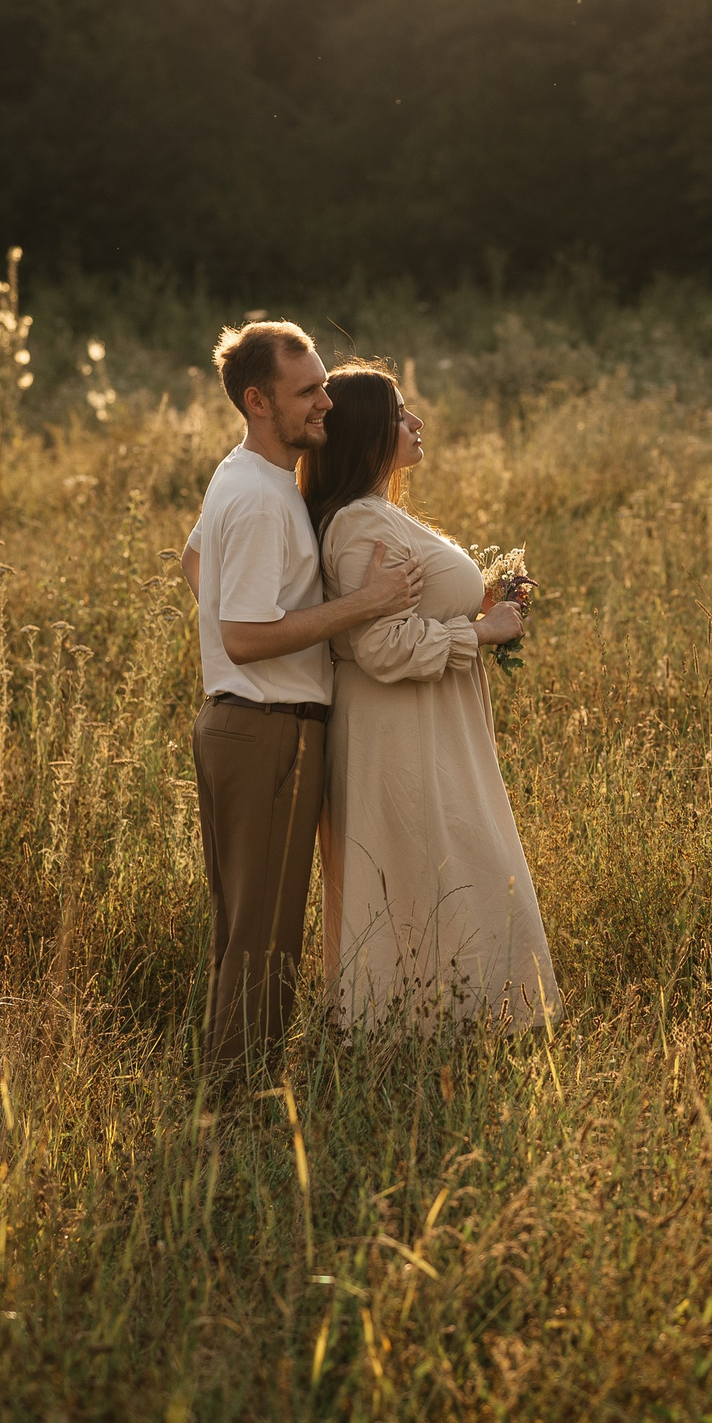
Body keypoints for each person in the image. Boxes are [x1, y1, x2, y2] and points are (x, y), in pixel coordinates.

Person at [178, 322, 422, 1086]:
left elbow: (194, 562)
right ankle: (235, 1111)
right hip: (267, 729)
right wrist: (365, 604)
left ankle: (228, 1097)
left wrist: (255, 619)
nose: (326, 402)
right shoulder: (258, 498)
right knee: (263, 941)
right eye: (308, 391)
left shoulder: (246, 476)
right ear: (257, 401)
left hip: (242, 725)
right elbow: (247, 637)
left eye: (321, 383)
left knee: (244, 931)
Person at [303, 364, 560, 1031]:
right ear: (364, 433)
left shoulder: (379, 514)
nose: (415, 424)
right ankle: (418, 1024)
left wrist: (484, 594)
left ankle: (452, 1017)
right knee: (427, 866)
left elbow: (403, 615)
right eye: (399, 414)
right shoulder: (359, 525)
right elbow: (380, 647)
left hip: (428, 722)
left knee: (448, 864)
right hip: (400, 730)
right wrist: (481, 630)